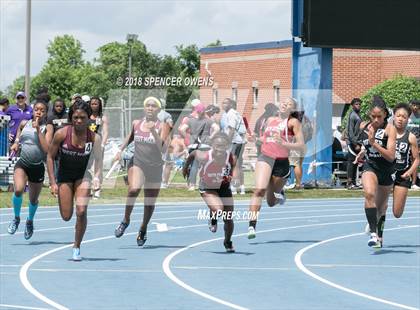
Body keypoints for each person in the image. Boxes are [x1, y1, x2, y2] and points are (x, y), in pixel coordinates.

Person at [47, 99, 102, 261]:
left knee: (81, 211)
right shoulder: (62, 133)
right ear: (71, 117)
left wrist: (97, 177)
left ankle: (76, 246)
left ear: (88, 119)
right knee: (66, 216)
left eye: (83, 118)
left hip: (83, 176)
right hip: (64, 176)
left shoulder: (94, 138)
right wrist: (52, 182)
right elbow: (50, 157)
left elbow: (98, 159)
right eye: (76, 117)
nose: (79, 121)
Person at [114, 97, 170, 246]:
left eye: (153, 106)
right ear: (144, 109)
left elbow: (162, 147)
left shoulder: (162, 126)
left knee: (149, 202)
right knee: (133, 189)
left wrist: (153, 131)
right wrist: (120, 150)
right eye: (148, 106)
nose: (150, 108)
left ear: (158, 110)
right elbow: (130, 137)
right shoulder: (136, 123)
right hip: (138, 162)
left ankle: (143, 228)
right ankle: (125, 220)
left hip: (155, 166)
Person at [247, 97, 304, 239]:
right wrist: (255, 139)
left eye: (289, 104)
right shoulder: (270, 120)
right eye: (284, 102)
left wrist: (284, 144)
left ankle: (280, 194)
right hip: (265, 157)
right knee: (259, 190)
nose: (285, 104)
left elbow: (301, 145)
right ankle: (251, 226)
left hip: (281, 161)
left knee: (271, 202)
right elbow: (265, 139)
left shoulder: (293, 122)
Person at [183, 133, 236, 252]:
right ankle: (213, 217)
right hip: (208, 187)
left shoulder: (231, 157)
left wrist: (231, 176)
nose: (219, 149)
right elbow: (192, 154)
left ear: (227, 146)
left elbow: (233, 168)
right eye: (217, 146)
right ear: (212, 145)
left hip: (224, 187)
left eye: (223, 146)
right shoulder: (204, 156)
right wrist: (185, 168)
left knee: (228, 218)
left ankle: (227, 241)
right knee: (218, 209)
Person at [7, 100, 50, 239]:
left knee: (33, 200)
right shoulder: (24, 123)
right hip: (23, 163)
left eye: (42, 110)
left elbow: (46, 149)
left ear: (45, 113)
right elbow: (19, 132)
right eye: (36, 109)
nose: (39, 112)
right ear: (32, 110)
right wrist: (16, 143)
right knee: (18, 190)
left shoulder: (47, 127)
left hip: (37, 167)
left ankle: (30, 221)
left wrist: (37, 129)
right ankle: (16, 218)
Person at [358, 96, 396, 248]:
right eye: (373, 116)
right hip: (370, 166)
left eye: (379, 116)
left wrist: (374, 143)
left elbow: (391, 156)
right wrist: (362, 150)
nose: (375, 119)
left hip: (386, 169)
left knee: (381, 208)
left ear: (385, 115)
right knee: (369, 194)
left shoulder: (390, 129)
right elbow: (364, 144)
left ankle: (379, 233)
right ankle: (374, 234)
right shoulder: (364, 126)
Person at [392, 103, 419, 218]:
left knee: (397, 213)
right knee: (381, 205)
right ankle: (377, 234)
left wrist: (409, 172)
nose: (400, 119)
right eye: (398, 116)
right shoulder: (386, 134)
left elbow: (417, 159)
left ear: (408, 119)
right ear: (394, 116)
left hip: (402, 175)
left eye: (404, 117)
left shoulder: (411, 137)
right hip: (386, 173)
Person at [179, 103, 208, 190]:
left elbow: (181, 129)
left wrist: (188, 137)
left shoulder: (190, 119)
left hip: (194, 144)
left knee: (194, 165)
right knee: (204, 165)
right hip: (203, 144)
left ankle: (192, 185)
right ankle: (202, 184)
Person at [221, 98, 247, 195]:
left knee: (233, 164)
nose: (223, 104)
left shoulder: (231, 114)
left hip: (234, 141)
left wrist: (227, 141)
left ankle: (234, 187)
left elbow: (231, 129)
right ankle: (241, 187)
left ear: (231, 105)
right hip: (238, 141)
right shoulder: (232, 113)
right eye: (223, 102)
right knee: (238, 165)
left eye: (226, 103)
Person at [88, 96, 109, 199]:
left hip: (98, 145)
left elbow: (105, 132)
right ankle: (88, 188)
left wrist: (102, 145)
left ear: (99, 105)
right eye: (92, 103)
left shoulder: (102, 117)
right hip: (87, 145)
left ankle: (97, 190)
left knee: (98, 168)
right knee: (87, 168)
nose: (94, 105)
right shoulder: (86, 116)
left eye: (96, 103)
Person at [346, 98, 363, 189]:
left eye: (359, 104)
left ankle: (353, 182)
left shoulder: (358, 115)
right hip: (352, 143)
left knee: (356, 162)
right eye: (356, 104)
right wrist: (355, 144)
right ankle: (349, 183)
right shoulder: (352, 115)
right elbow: (350, 131)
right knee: (351, 162)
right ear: (352, 106)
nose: (358, 106)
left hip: (358, 142)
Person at [407, 100, 420, 189]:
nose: (415, 107)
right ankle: (406, 181)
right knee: (404, 162)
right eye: (413, 105)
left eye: (417, 105)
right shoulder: (406, 116)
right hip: (406, 142)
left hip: (417, 144)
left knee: (415, 162)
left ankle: (414, 183)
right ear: (410, 105)